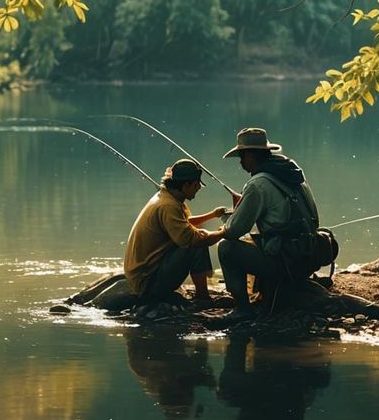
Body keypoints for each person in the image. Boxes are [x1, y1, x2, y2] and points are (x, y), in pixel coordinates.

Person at [201, 127, 325, 321]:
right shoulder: (292, 175)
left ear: (251, 154)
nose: (241, 162)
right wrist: (245, 206)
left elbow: (234, 231)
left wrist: (228, 219)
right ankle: (269, 292)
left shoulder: (257, 184)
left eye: (242, 156)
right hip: (308, 252)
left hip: (286, 260)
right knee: (254, 240)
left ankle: (243, 309)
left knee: (226, 248)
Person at [123, 159, 227, 307]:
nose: (198, 189)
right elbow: (190, 239)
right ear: (186, 185)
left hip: (147, 275)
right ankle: (202, 297)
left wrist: (213, 215)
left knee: (197, 236)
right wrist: (224, 232)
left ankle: (201, 294)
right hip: (147, 283)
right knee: (198, 242)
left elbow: (183, 224)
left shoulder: (167, 197)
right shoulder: (168, 206)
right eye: (196, 185)